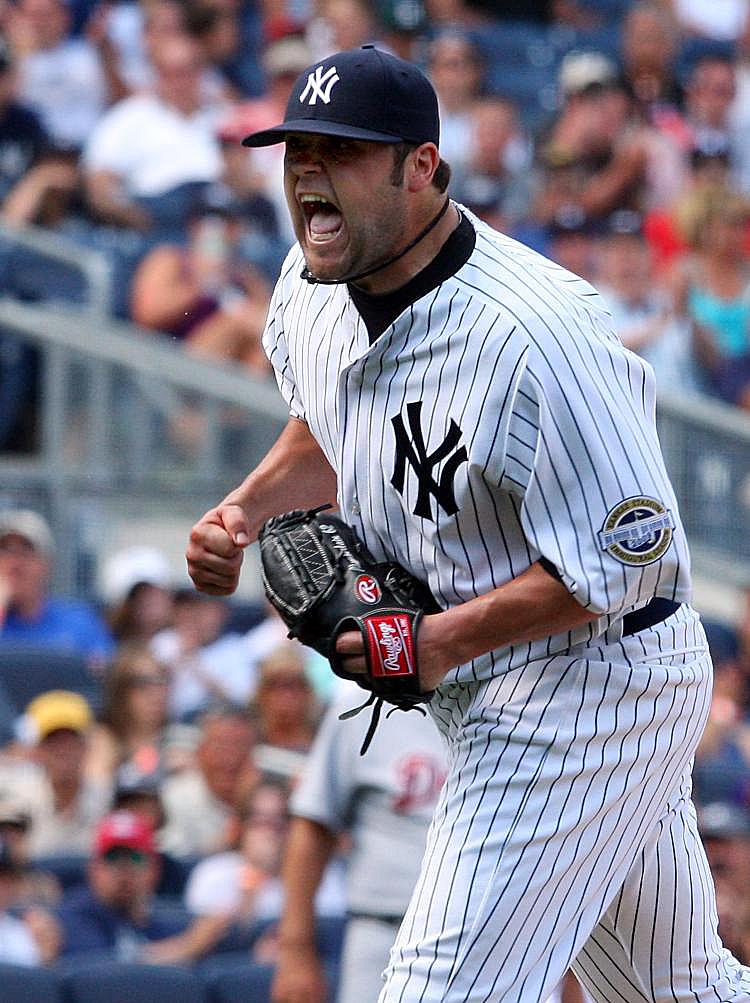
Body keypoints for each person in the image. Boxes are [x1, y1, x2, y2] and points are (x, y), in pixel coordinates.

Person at [186, 44, 750, 1003]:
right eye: (297, 151)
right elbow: (332, 420)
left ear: (423, 169)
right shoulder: (313, 285)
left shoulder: (537, 335)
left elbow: (629, 568)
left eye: (344, 151)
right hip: (495, 682)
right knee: (672, 987)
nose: (309, 172)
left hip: (592, 686)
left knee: (442, 989)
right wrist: (245, 507)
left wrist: (437, 641)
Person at [272, 688, 447, 1003]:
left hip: (495, 938)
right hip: (383, 931)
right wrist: (295, 950)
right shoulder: (363, 707)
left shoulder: (529, 702)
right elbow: (314, 824)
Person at [56, 810, 189, 958]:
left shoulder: (157, 923)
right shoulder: (72, 917)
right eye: (113, 858)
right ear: (93, 868)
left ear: (154, 869)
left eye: (135, 858)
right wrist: (193, 945)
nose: (124, 870)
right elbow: (108, 971)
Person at [0, 509, 114, 666]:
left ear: (47, 564)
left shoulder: (78, 623)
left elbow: (106, 672)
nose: (14, 564)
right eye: (5, 551)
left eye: (25, 553)